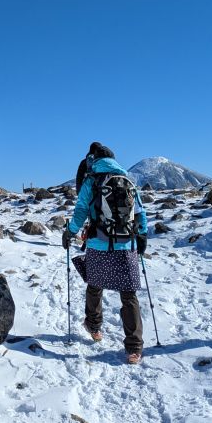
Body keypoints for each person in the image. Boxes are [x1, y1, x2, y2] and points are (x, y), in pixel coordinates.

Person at [63, 142, 148, 365]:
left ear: (94, 161)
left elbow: (81, 210)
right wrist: (143, 236)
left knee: (94, 284)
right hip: (126, 245)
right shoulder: (128, 181)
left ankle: (94, 326)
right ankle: (134, 348)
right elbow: (140, 213)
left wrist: (70, 232)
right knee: (129, 296)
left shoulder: (91, 181)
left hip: (98, 244)